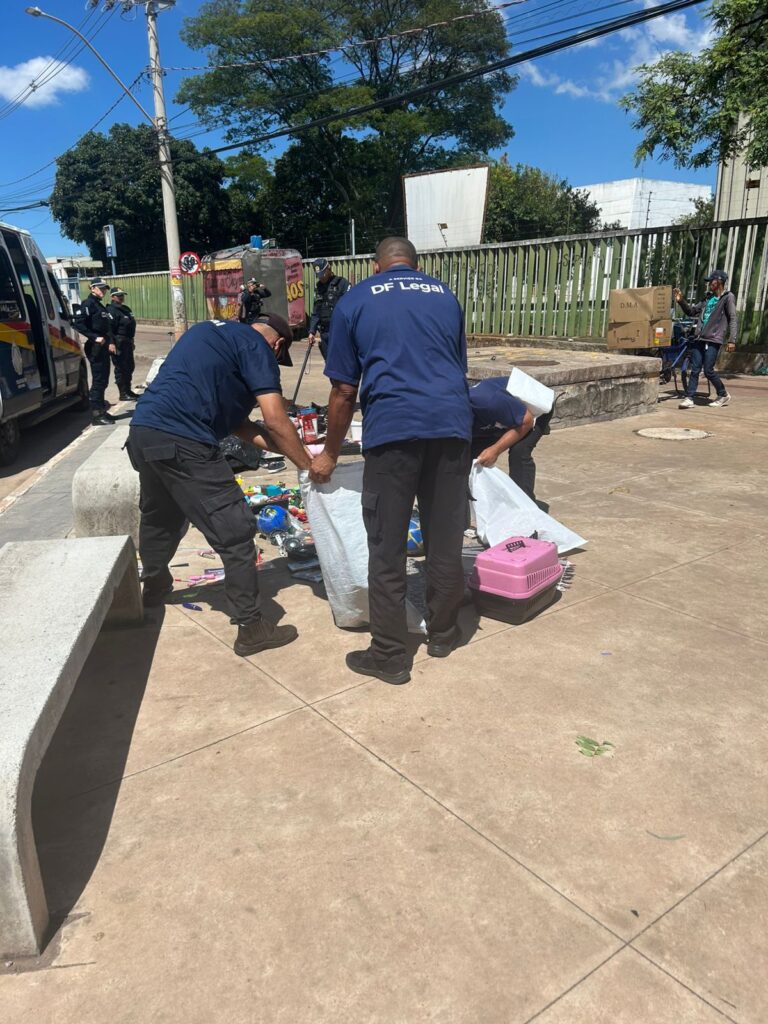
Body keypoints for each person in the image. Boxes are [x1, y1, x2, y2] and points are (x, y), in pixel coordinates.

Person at [310, 236, 472, 686]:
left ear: (376, 266)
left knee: (387, 547)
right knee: (445, 539)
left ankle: (389, 655)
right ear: (415, 266)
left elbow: (344, 390)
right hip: (452, 428)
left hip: (393, 433)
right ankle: (443, 634)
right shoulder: (445, 295)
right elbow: (456, 367)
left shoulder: (355, 299)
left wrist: (330, 452)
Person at [128, 312, 311, 657]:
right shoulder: (257, 347)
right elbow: (274, 418)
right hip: (185, 439)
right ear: (277, 345)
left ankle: (154, 584)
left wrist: (289, 448)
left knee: (161, 516)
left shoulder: (208, 334)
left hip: (143, 432)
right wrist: (308, 464)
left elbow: (241, 426)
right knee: (236, 531)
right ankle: (252, 628)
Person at [469, 377, 545, 504]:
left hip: (535, 409)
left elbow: (527, 421)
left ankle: (525, 506)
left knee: (519, 451)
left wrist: (495, 449)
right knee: (471, 455)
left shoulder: (488, 401)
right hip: (500, 419)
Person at [675, 269, 737, 409]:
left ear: (719, 282)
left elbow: (733, 318)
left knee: (708, 370)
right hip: (699, 338)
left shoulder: (728, 297)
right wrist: (681, 301)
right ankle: (689, 398)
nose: (709, 284)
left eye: (711, 281)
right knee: (695, 368)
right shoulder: (707, 298)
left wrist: (732, 340)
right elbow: (691, 311)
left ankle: (723, 394)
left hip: (714, 339)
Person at [74, 277, 116, 425]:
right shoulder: (88, 304)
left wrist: (110, 342)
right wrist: (94, 337)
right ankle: (97, 414)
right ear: (92, 288)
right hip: (95, 347)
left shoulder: (99, 305)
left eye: (105, 288)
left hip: (103, 346)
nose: (103, 291)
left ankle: (102, 410)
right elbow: (78, 324)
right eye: (100, 288)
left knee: (104, 379)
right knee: (98, 380)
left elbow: (106, 327)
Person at [308, 258, 349, 360]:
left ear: (329, 269)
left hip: (340, 331)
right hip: (325, 332)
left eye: (323, 274)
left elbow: (351, 307)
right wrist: (312, 331)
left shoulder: (342, 283)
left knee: (342, 361)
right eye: (318, 275)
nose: (321, 277)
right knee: (329, 362)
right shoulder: (319, 288)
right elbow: (316, 311)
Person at [108, 287, 139, 400]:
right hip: (118, 342)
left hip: (127, 341)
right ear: (112, 297)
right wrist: (111, 343)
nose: (121, 297)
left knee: (130, 366)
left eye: (122, 295)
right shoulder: (111, 310)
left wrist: (132, 340)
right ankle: (123, 393)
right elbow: (109, 329)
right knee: (121, 368)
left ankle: (128, 390)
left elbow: (131, 325)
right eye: (118, 295)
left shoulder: (126, 309)